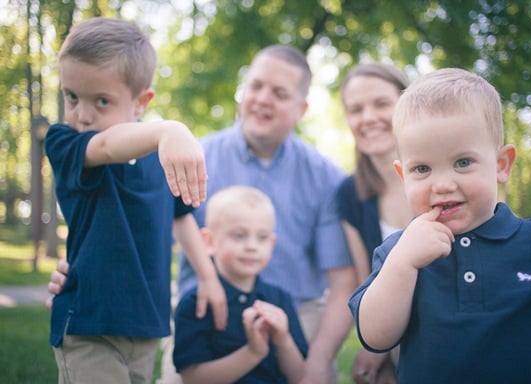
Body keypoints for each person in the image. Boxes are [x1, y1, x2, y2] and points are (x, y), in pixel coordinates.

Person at [349, 67, 531, 383]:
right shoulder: (398, 254)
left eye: (463, 162)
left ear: (501, 165)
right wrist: (403, 264)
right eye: (423, 168)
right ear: (403, 176)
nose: (443, 184)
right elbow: (375, 337)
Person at [45, 17, 226, 384]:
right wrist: (171, 129)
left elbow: (182, 217)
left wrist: (210, 279)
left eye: (101, 101)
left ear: (141, 101)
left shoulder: (158, 158)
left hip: (146, 324)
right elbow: (108, 145)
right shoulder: (66, 143)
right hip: (89, 323)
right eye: (71, 96)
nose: (82, 114)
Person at [173, 44, 356, 384]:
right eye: (255, 86)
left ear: (301, 108)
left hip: (295, 316)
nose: (262, 99)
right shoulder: (196, 157)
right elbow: (147, 239)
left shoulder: (327, 178)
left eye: (279, 93)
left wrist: (317, 364)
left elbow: (343, 281)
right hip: (205, 310)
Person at [173, 185, 308, 383]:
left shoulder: (279, 299)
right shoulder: (196, 303)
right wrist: (252, 354)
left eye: (261, 238)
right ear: (208, 241)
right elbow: (192, 379)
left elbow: (298, 376)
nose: (252, 246)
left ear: (272, 244)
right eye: (239, 235)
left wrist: (284, 340)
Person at [337, 63, 413, 383]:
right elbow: (366, 282)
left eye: (381, 104)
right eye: (356, 110)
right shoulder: (350, 195)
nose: (368, 118)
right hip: (396, 331)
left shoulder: (443, 175)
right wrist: (378, 350)